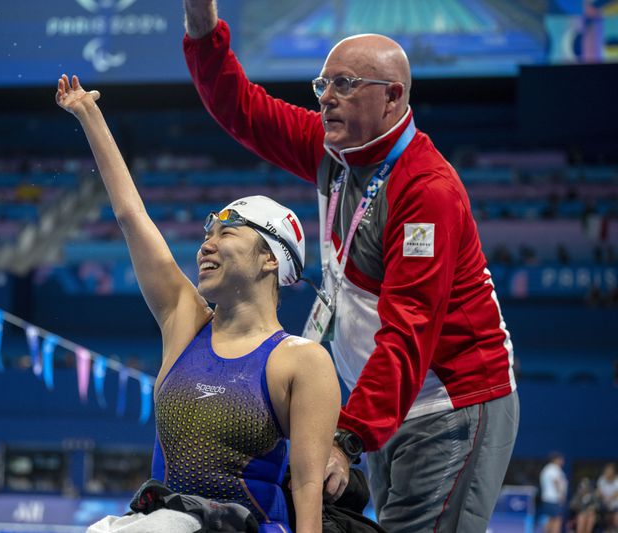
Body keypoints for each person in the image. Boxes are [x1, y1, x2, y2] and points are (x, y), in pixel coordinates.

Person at [182, 2, 520, 531]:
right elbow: (239, 108)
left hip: (449, 403)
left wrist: (347, 437)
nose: (327, 98)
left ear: (393, 96)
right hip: (385, 404)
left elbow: (410, 329)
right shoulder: (335, 151)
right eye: (322, 85)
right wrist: (202, 28)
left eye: (345, 83)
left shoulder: (426, 191)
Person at [56, 73, 340, 533]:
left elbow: (308, 486)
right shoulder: (184, 322)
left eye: (226, 233)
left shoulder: (301, 361)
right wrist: (89, 115)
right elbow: (131, 217)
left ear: (271, 259)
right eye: (207, 235)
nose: (206, 246)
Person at [539, 453, 567, 533]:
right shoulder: (554, 468)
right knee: (557, 520)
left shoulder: (547, 468)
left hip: (548, 498)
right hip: (554, 499)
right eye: (561, 459)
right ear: (556, 460)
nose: (563, 461)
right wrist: (561, 495)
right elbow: (556, 482)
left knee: (550, 519)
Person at [598, 463, 618, 531]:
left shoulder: (617, 480)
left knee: (616, 519)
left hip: (616, 505)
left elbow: (616, 494)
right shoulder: (601, 479)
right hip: (604, 505)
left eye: (610, 470)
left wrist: (608, 499)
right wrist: (603, 498)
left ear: (613, 471)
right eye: (607, 470)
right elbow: (599, 492)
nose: (608, 472)